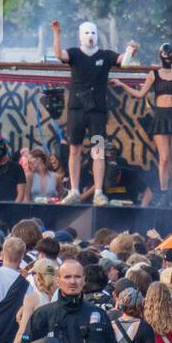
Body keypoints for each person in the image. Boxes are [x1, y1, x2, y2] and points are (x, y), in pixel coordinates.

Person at [51, 19, 137, 206]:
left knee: (98, 151)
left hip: (97, 111)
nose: (90, 36)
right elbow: (59, 54)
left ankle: (98, 192)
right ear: (81, 35)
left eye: (93, 33)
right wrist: (57, 33)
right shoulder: (74, 53)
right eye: (87, 33)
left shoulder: (105, 55)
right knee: (74, 149)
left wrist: (130, 50)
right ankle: (73, 190)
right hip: (76, 110)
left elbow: (124, 63)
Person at [112, 41, 172, 207]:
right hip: (161, 116)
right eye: (165, 54)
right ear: (160, 55)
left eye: (170, 54)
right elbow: (140, 94)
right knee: (164, 158)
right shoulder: (153, 74)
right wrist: (122, 84)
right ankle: (163, 192)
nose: (168, 57)